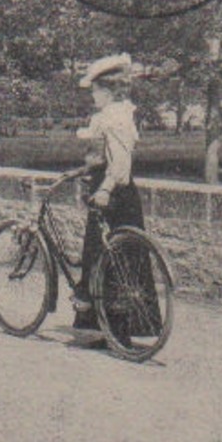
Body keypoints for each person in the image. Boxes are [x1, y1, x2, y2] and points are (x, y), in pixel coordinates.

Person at [71, 52, 148, 343]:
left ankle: (119, 335)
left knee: (111, 260)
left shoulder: (114, 118)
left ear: (106, 91)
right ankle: (109, 332)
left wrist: (103, 189)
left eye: (95, 91)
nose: (92, 96)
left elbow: (120, 165)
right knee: (104, 259)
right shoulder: (114, 115)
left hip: (114, 197)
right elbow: (103, 157)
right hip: (111, 192)